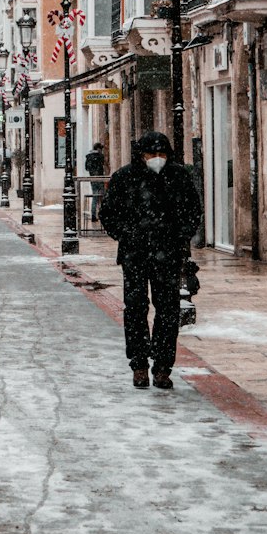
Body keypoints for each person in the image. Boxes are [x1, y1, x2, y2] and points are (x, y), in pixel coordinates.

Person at [99, 130, 201, 391]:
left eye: (162, 153)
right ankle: (139, 364)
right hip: (135, 255)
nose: (157, 158)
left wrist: (180, 237)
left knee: (168, 311)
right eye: (151, 154)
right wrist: (126, 235)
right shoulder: (125, 177)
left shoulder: (178, 176)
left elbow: (192, 211)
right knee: (135, 309)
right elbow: (108, 213)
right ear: (140, 155)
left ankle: (163, 368)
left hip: (168, 255)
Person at [85, 140, 107, 222]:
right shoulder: (100, 156)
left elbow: (87, 168)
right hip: (100, 178)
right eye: (101, 149)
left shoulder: (89, 157)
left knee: (95, 196)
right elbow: (103, 165)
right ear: (98, 149)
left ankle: (93, 214)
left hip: (92, 178)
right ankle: (104, 214)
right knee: (103, 196)